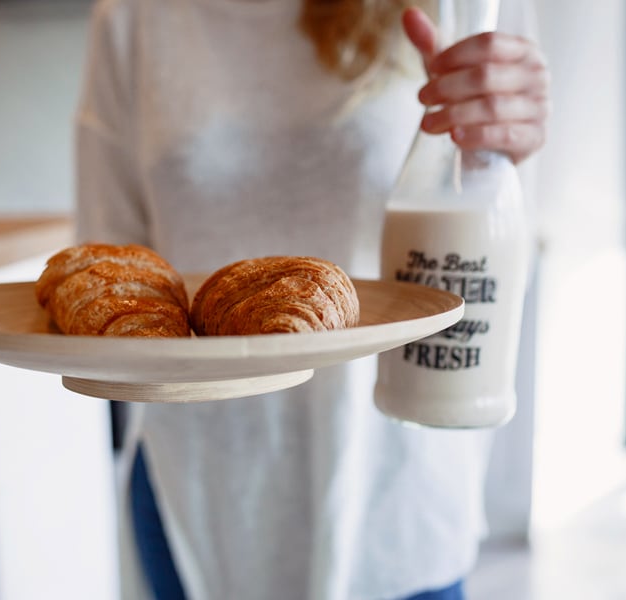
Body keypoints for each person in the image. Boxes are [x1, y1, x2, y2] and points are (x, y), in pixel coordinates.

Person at [74, 0, 549, 598]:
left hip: (393, 485)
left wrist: (504, 151)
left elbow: (506, 245)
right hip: (198, 494)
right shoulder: (132, 18)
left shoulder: (462, 5)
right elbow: (109, 266)